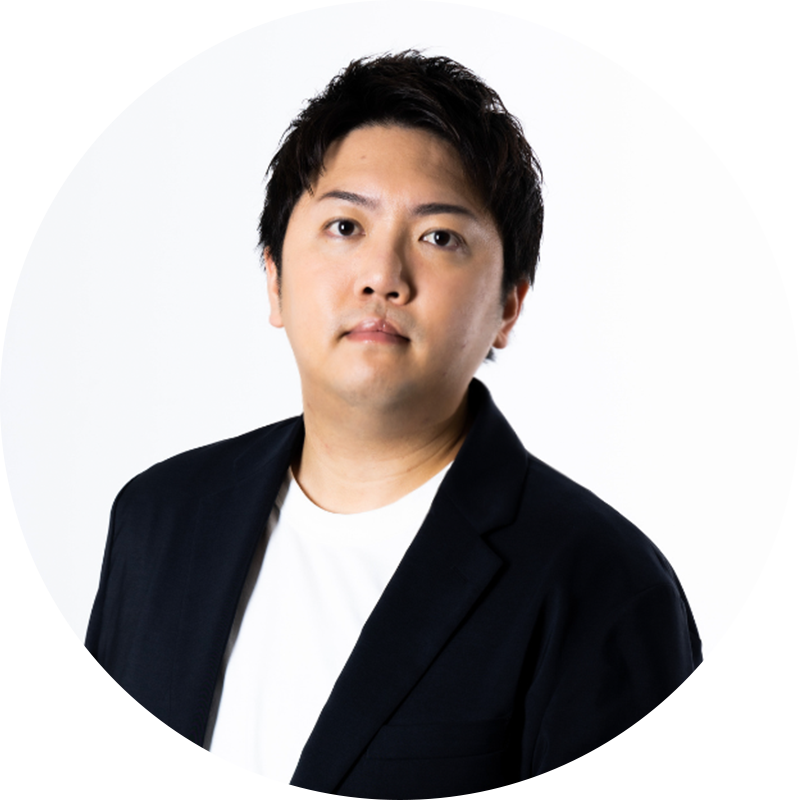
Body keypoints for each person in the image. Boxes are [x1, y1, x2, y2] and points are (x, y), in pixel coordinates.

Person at [54, 52, 713, 800]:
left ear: (509, 305)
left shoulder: (602, 587)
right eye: (345, 226)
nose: (383, 276)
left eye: (440, 237)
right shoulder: (160, 521)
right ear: (273, 278)